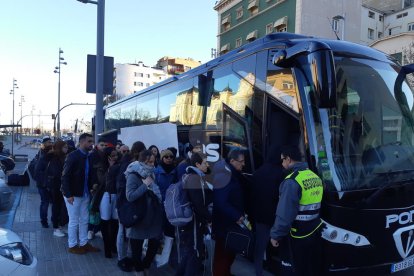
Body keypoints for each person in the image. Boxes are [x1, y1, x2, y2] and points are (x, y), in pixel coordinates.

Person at [270, 145, 323, 276]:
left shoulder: (292, 182)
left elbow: (285, 214)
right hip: (313, 231)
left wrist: (276, 235)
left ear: (288, 159)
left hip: (296, 235)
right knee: (308, 268)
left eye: (282, 160)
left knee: (293, 270)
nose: (282, 164)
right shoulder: (314, 176)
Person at [61, 133, 100, 254]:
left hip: (85, 194)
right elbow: (65, 176)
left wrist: (92, 186)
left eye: (92, 141)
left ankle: (83, 243)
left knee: (84, 219)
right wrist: (68, 194)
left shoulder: (89, 156)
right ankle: (72, 245)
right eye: (89, 141)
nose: (91, 144)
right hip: (73, 195)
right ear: (82, 142)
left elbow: (90, 174)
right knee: (73, 220)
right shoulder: (73, 156)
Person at [125, 150, 163, 275]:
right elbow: (130, 196)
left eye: (154, 161)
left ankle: (146, 264)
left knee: (155, 242)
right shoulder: (133, 175)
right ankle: (139, 269)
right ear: (142, 161)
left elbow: (155, 191)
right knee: (137, 246)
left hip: (153, 215)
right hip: (140, 216)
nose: (153, 164)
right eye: (150, 162)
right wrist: (145, 185)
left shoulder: (151, 173)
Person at [212, 149, 248, 276]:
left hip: (228, 223)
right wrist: (237, 215)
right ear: (232, 161)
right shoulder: (225, 175)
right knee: (223, 255)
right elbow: (220, 202)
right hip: (225, 225)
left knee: (229, 254)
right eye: (241, 161)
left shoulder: (231, 173)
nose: (243, 164)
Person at [176, 152, 213, 276]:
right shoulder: (195, 178)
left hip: (189, 222)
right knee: (195, 253)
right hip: (194, 222)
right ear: (197, 164)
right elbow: (198, 205)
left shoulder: (189, 176)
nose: (207, 165)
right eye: (205, 163)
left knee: (190, 252)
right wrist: (209, 217)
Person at [251, 146, 284, 276]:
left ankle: (258, 271)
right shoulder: (281, 173)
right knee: (277, 244)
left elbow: (252, 196)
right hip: (276, 216)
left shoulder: (258, 172)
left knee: (260, 246)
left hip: (260, 217)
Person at [116, 141, 146, 272]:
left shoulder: (134, 164)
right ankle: (122, 258)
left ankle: (128, 257)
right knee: (122, 230)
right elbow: (122, 185)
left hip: (130, 202)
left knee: (130, 230)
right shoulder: (128, 165)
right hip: (125, 202)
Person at [154, 149, 177, 267]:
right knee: (158, 232)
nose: (169, 159)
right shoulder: (156, 171)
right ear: (162, 158)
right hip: (159, 207)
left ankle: (167, 258)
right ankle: (155, 256)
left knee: (170, 232)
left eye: (171, 157)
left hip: (171, 207)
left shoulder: (176, 171)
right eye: (166, 157)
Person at [44, 140, 69, 237]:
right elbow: (57, 173)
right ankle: (56, 228)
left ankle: (60, 226)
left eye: (67, 147)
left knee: (61, 207)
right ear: (59, 148)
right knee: (56, 207)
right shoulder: (54, 158)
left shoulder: (62, 157)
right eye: (64, 147)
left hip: (61, 186)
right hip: (55, 186)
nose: (66, 149)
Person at [99, 147, 120, 258]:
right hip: (105, 196)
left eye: (116, 155)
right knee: (105, 222)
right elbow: (102, 181)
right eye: (112, 155)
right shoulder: (102, 167)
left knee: (115, 223)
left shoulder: (119, 166)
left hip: (116, 196)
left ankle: (113, 245)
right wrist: (110, 169)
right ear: (107, 156)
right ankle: (107, 247)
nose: (115, 157)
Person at [34, 137, 54, 228]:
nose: (51, 144)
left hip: (50, 183)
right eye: (49, 142)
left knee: (51, 202)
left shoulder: (51, 154)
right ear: (45, 143)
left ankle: (54, 220)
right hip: (43, 184)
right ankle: (44, 221)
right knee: (45, 202)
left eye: (51, 142)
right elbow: (38, 170)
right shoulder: (42, 154)